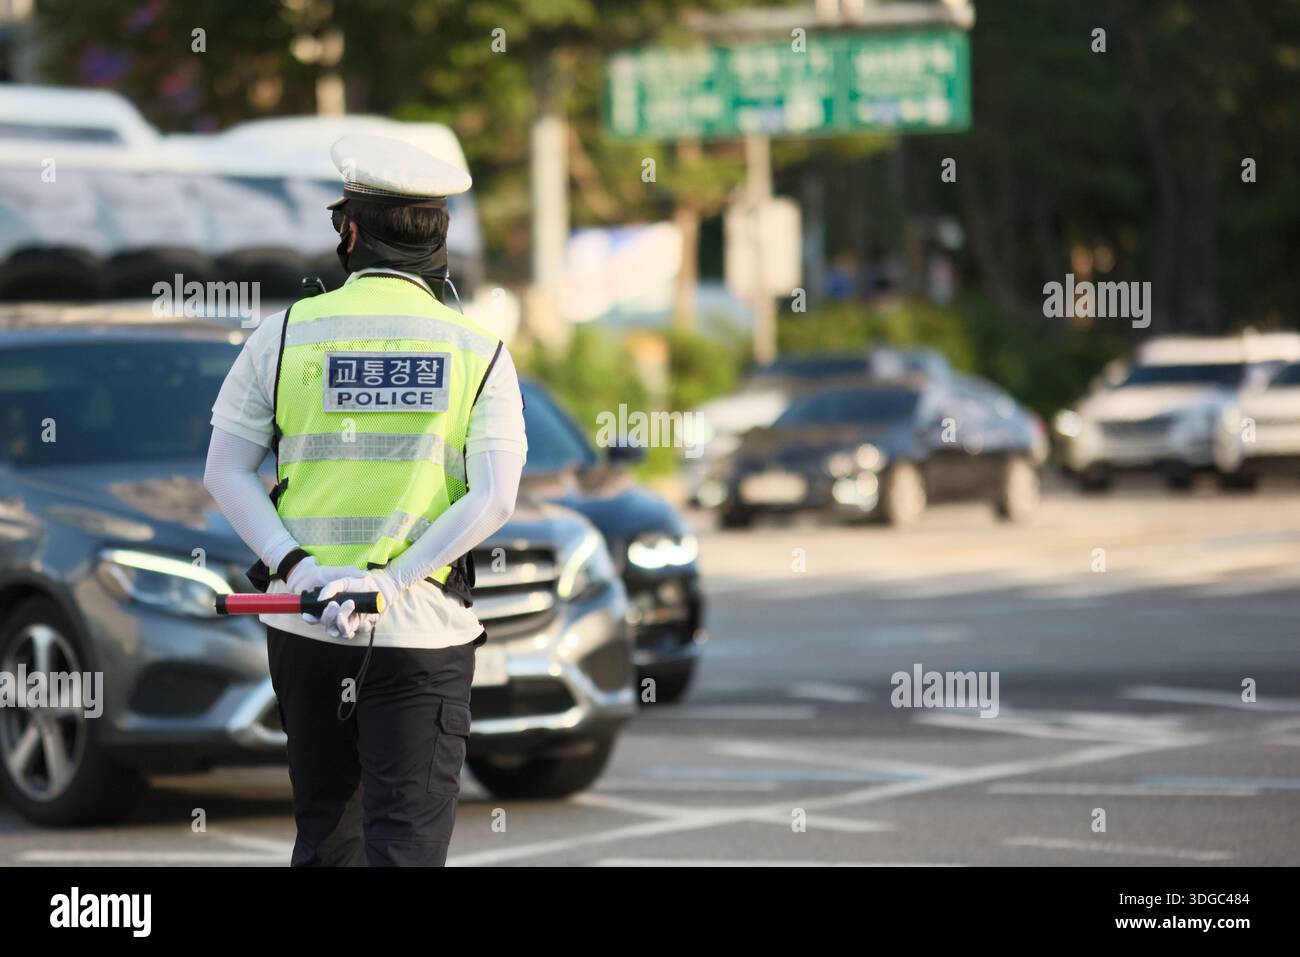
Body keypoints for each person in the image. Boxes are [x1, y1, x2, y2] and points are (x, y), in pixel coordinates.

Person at [203, 133, 526, 866]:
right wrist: (390, 579)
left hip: (310, 627)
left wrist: (299, 568)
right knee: (405, 847)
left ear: (351, 233)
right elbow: (494, 497)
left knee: (327, 841)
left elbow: (225, 472)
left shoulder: (283, 336)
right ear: (438, 240)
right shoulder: (481, 352)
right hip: (421, 634)